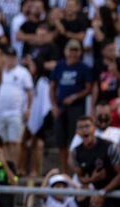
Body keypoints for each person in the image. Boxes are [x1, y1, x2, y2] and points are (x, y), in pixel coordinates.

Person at [50, 39, 93, 171]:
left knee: (75, 137)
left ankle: (76, 167)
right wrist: (54, 106)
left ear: (80, 53)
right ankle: (64, 169)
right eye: (71, 51)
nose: (73, 54)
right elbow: (52, 87)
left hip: (76, 107)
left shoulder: (84, 68)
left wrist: (75, 97)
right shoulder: (60, 66)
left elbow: (89, 88)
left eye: (76, 51)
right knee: (61, 139)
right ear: (66, 52)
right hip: (61, 106)